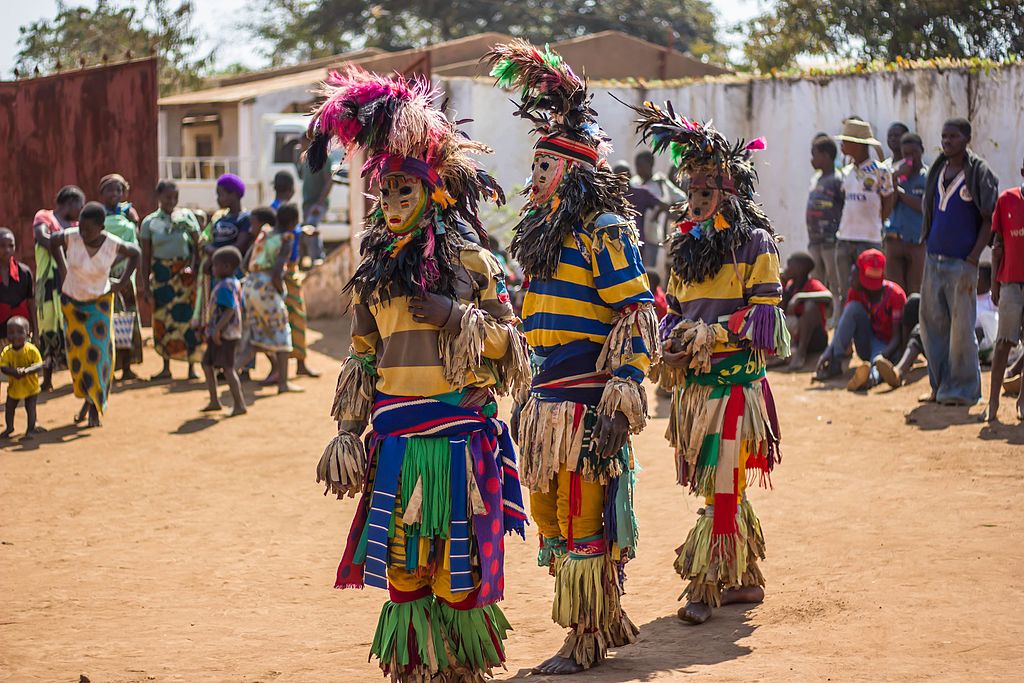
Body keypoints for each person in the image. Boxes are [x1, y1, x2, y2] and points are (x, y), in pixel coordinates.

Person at [307, 67, 529, 682]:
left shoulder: (470, 261)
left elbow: (512, 347)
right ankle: (414, 663)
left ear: (434, 194)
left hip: (458, 436)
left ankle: (457, 665)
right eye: (387, 193)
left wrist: (456, 315)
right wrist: (349, 432)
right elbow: (360, 358)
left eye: (407, 192)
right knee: (404, 567)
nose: (395, 204)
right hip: (398, 438)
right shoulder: (372, 270)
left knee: (455, 566)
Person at [487, 41, 658, 673]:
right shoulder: (537, 234)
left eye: (546, 167)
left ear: (576, 172)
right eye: (534, 166)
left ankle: (584, 636)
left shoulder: (605, 228)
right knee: (550, 518)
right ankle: (604, 613)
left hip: (588, 401)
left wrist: (625, 391)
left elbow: (638, 312)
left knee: (584, 517)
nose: (534, 178)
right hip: (544, 402)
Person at [625, 100, 786, 627]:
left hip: (735, 389)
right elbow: (674, 311)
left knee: (721, 483)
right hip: (696, 388)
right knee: (720, 484)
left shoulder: (755, 244)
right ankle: (742, 579)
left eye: (705, 192)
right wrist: (672, 341)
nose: (694, 201)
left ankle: (707, 583)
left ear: (728, 193)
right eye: (691, 191)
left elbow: (765, 316)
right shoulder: (684, 247)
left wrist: (710, 333)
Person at [919, 118, 1000, 406]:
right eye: (944, 136)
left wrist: (974, 257)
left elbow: (990, 217)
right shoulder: (938, 169)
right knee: (932, 325)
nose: (947, 141)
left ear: (967, 138)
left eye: (953, 136)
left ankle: (964, 390)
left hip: (961, 263)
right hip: (934, 259)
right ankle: (939, 386)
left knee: (961, 329)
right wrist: (927, 242)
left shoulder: (979, 172)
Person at [48, 202, 140, 428]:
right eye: (81, 228)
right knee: (78, 358)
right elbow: (52, 241)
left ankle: (94, 406)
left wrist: (122, 282)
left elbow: (136, 252)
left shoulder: (112, 244)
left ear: (101, 227)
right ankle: (87, 399)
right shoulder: (72, 237)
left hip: (99, 304)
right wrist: (62, 267)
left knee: (99, 356)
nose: (83, 233)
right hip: (73, 304)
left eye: (88, 230)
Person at [815, 249, 906, 391]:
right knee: (852, 308)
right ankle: (835, 361)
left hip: (888, 348)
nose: (850, 278)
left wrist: (882, 356)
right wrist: (829, 351)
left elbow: (897, 338)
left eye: (854, 273)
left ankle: (871, 378)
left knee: (879, 363)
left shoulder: (896, 295)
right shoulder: (856, 293)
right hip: (866, 342)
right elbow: (843, 326)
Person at [139, 180, 202, 381]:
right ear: (159, 197)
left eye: (175, 197)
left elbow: (197, 246)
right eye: (168, 197)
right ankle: (166, 366)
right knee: (163, 321)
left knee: (187, 320)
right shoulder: (149, 223)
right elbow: (146, 256)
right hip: (161, 278)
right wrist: (146, 287)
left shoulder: (187, 217)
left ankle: (192, 366)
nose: (172, 201)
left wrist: (193, 267)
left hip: (185, 278)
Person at [834, 119, 896, 312]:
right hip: (844, 239)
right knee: (846, 290)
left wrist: (878, 223)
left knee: (872, 290)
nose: (842, 145)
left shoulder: (881, 171)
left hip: (869, 240)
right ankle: (847, 336)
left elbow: (889, 200)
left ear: (859, 144)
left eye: (847, 140)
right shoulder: (846, 172)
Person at [238, 204, 299, 394]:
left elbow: (245, 263)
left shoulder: (264, 233)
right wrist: (281, 291)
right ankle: (283, 384)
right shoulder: (287, 238)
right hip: (267, 287)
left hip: (249, 286)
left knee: (257, 332)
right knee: (282, 334)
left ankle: (232, 368)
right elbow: (277, 271)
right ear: (292, 223)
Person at [33, 185, 84, 390]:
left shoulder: (77, 224)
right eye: (79, 205)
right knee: (48, 328)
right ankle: (47, 379)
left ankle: (76, 375)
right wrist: (62, 244)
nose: (80, 210)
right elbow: (43, 238)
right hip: (48, 283)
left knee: (71, 327)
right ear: (70, 202)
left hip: (69, 281)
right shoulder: (45, 217)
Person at [986, 156, 1024, 421]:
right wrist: (994, 283)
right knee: (1003, 343)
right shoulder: (1007, 200)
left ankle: (1022, 400)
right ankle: (993, 402)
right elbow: (997, 245)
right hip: (1011, 281)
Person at [270, 170, 318, 379]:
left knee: (279, 319)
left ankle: (281, 366)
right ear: (291, 190)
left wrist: (302, 230)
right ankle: (297, 363)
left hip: (277, 270)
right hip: (287, 270)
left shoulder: (273, 210)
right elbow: (287, 233)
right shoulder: (284, 211)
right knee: (296, 316)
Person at [99, 174, 143, 380]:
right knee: (108, 319)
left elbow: (135, 243)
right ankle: (110, 366)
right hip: (103, 274)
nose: (114, 194)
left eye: (118, 190)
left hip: (126, 273)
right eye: (110, 189)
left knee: (127, 317)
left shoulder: (128, 213)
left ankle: (126, 366)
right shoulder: (96, 215)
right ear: (101, 193)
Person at [201, 246, 246, 416]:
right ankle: (214, 401)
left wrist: (217, 330)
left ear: (226, 267)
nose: (213, 269)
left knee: (228, 368)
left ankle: (239, 404)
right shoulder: (232, 282)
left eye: (215, 265)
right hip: (224, 332)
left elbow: (229, 310)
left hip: (224, 334)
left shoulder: (225, 286)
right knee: (207, 364)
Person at [884, 132, 928, 294]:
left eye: (913, 153)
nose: (910, 158)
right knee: (895, 289)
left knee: (915, 289)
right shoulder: (895, 174)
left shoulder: (927, 177)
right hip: (894, 239)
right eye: (906, 154)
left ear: (921, 151)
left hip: (916, 241)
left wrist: (902, 194)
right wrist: (895, 178)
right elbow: (889, 204)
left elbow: (923, 206)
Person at [806, 134, 844, 317]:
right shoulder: (817, 179)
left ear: (827, 156)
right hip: (815, 241)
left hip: (831, 241)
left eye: (815, 155)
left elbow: (844, 208)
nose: (812, 160)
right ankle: (820, 320)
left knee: (836, 284)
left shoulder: (838, 180)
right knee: (817, 283)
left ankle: (836, 320)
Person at [633, 149, 685, 268]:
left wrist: (666, 210)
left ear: (650, 165)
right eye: (637, 166)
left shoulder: (660, 184)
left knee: (651, 270)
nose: (638, 169)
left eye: (641, 166)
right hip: (636, 237)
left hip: (654, 236)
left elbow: (682, 198)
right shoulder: (634, 184)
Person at [780, 251, 831, 371]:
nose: (787, 268)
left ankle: (801, 355)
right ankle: (782, 353)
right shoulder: (790, 286)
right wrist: (783, 283)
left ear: (800, 269)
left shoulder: (812, 284)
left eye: (790, 265)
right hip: (795, 339)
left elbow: (828, 296)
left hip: (815, 339)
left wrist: (800, 297)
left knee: (810, 307)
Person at [613, 161, 666, 267]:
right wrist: (654, 217)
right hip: (636, 240)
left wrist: (654, 218)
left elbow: (662, 205)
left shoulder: (610, 195)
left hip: (615, 241)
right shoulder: (641, 192)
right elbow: (662, 205)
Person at [0, 316, 44, 439]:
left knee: (30, 408)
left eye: (20, 332)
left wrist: (26, 371)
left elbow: (39, 365)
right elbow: (3, 367)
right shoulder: (6, 352)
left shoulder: (31, 350)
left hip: (31, 388)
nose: (15, 336)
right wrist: (14, 372)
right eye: (11, 332)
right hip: (15, 388)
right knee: (9, 408)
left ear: (28, 333)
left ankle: (30, 429)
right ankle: (9, 427)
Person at [0, 228, 37, 342]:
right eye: (2, 246)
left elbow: (31, 304)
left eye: (11, 246)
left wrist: (36, 333)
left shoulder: (24, 272)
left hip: (22, 336)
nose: (7, 250)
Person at [297, 142, 330, 265]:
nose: (301, 146)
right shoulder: (304, 159)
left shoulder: (324, 159)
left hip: (317, 204)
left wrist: (319, 204)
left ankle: (316, 259)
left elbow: (329, 182)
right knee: (308, 231)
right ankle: (313, 259)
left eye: (303, 142)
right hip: (307, 203)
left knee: (310, 227)